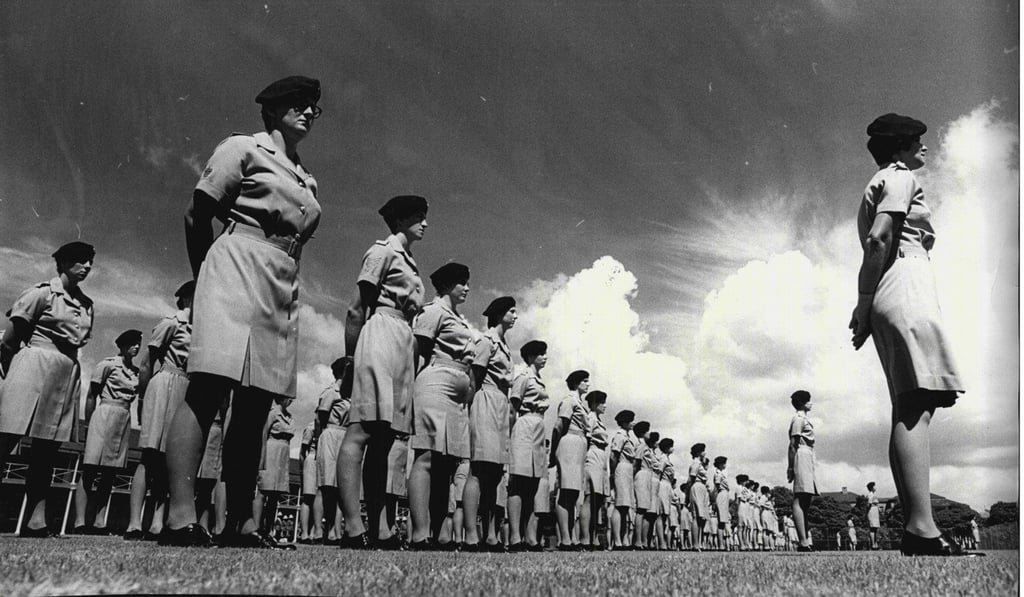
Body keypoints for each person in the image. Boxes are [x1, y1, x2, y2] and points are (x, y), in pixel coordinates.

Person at [163, 75, 323, 548]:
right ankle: (180, 517)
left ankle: (241, 523)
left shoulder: (306, 177)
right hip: (235, 262)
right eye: (297, 103)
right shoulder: (242, 148)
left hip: (280, 281)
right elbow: (198, 214)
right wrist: (206, 277)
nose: (308, 111)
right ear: (271, 110)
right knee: (209, 388)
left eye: (313, 106)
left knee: (255, 406)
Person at [849, 113, 980, 558]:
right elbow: (879, 241)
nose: (924, 147)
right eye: (917, 141)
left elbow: (877, 243)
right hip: (904, 283)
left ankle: (916, 526)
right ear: (901, 147)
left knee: (910, 404)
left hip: (893, 287)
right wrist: (863, 306)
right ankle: (921, 528)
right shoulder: (898, 178)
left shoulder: (880, 180)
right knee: (916, 403)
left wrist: (867, 306)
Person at [339, 195, 428, 550]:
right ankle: (351, 526)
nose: (425, 223)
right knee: (361, 430)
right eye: (419, 217)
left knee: (385, 439)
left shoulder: (410, 262)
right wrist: (350, 360)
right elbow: (356, 308)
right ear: (402, 219)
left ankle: (381, 528)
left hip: (403, 341)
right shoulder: (382, 252)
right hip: (380, 332)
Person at [0, 242, 96, 538]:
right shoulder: (41, 293)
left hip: (66, 372)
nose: (87, 267)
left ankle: (36, 521)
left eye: (90, 261)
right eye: (81, 261)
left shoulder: (87, 304)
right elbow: (9, 340)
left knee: (47, 449)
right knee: (6, 439)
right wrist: (12, 372)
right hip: (33, 365)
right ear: (64, 263)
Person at [407, 263, 475, 549]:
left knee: (447, 464)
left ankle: (440, 532)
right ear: (447, 285)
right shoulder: (433, 311)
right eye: (461, 282)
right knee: (427, 456)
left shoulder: (460, 318)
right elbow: (417, 349)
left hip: (458, 393)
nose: (467, 288)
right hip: (435, 383)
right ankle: (420, 533)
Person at [126, 281, 195, 541]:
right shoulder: (172, 323)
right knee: (150, 455)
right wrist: (144, 397)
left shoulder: (202, 330)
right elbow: (147, 363)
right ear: (188, 298)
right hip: (164, 383)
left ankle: (157, 522)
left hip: (186, 389)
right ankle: (134, 523)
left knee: (173, 459)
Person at [462, 297, 517, 551]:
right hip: (485, 401)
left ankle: (491, 534)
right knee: (478, 470)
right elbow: (474, 377)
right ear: (499, 314)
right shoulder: (486, 341)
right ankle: (472, 534)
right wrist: (470, 409)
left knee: (494, 474)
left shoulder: (504, 345)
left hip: (500, 406)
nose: (515, 316)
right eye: (511, 311)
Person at [75, 329, 142, 534]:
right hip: (103, 414)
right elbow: (90, 396)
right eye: (132, 343)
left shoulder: (136, 373)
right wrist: (87, 425)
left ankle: (99, 521)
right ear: (122, 346)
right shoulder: (107, 365)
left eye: (138, 343)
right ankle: (79, 522)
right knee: (90, 469)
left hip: (123, 418)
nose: (136, 347)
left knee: (109, 472)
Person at [506, 340, 549, 551]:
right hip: (524, 427)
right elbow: (512, 408)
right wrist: (511, 435)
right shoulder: (523, 377)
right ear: (531, 356)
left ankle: (530, 537)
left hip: (538, 429)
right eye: (541, 354)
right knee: (519, 482)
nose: (545, 357)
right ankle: (515, 536)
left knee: (533, 485)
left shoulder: (539, 379)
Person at [551, 369, 590, 551]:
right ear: (576, 384)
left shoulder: (580, 403)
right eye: (584, 381)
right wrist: (553, 451)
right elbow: (559, 426)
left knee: (573, 493)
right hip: (569, 443)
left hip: (579, 445)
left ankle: (571, 538)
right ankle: (565, 539)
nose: (587, 384)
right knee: (566, 492)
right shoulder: (569, 401)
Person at [254, 397, 295, 547]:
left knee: (275, 494)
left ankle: (267, 530)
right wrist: (261, 458)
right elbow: (263, 433)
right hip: (270, 450)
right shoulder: (272, 413)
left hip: (283, 453)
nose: (290, 401)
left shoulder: (288, 416)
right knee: (264, 490)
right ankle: (256, 529)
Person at [319, 357, 352, 544]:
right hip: (331, 434)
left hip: (345, 436)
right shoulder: (332, 392)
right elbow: (321, 417)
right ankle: (329, 529)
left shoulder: (350, 394)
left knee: (343, 486)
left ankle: (339, 531)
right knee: (329, 486)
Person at [787, 390, 817, 552]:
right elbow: (793, 444)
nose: (810, 403)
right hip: (801, 455)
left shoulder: (804, 419)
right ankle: (803, 541)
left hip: (807, 456)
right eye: (808, 401)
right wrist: (791, 466)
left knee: (806, 499)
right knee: (800, 498)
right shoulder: (798, 419)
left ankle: (806, 539)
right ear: (802, 404)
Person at [580, 390, 609, 550]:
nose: (604, 406)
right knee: (590, 498)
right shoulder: (590, 417)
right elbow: (587, 437)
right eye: (602, 402)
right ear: (594, 404)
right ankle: (585, 538)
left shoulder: (598, 419)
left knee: (597, 500)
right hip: (592, 455)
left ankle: (594, 538)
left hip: (601, 456)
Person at [607, 409, 636, 550]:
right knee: (620, 505)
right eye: (631, 421)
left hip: (628, 469)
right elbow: (613, 456)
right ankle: (617, 541)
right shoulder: (620, 436)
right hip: (622, 468)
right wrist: (613, 474)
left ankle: (624, 540)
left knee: (625, 507)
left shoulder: (628, 436)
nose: (633, 423)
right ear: (624, 422)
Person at [632, 426, 658, 549]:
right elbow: (636, 462)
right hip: (642, 474)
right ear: (643, 433)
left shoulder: (646, 446)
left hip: (647, 475)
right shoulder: (641, 445)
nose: (649, 433)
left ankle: (642, 540)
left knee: (645, 509)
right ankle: (638, 541)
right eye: (647, 431)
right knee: (641, 509)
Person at [298, 419, 321, 543]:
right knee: (308, 497)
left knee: (317, 499)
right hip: (311, 460)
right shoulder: (310, 427)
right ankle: (304, 533)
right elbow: (303, 451)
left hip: (322, 461)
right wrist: (302, 469)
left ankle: (313, 533)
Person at [688, 443, 710, 551]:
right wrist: (687, 497)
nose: (704, 453)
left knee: (702, 517)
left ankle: (700, 543)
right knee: (696, 516)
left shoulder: (700, 464)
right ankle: (695, 544)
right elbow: (691, 479)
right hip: (696, 487)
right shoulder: (696, 463)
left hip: (702, 488)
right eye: (703, 451)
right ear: (698, 453)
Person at [712, 456, 731, 551]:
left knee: (722, 521)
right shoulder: (718, 474)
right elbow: (716, 488)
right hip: (721, 495)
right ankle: (721, 545)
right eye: (724, 463)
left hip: (724, 495)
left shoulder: (722, 473)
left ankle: (721, 544)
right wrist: (714, 502)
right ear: (720, 464)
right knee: (721, 522)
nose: (725, 465)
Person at [866, 481, 881, 549]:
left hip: (875, 511)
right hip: (872, 511)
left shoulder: (873, 495)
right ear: (872, 487)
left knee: (875, 529)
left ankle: (875, 544)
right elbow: (868, 504)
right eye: (874, 486)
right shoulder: (870, 494)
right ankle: (873, 544)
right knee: (872, 528)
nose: (876, 487)